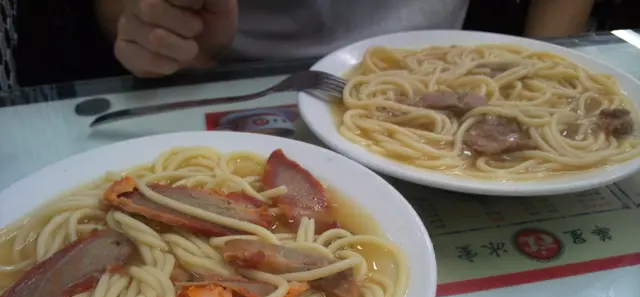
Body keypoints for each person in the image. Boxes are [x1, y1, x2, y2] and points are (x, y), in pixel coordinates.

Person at [95, 0, 596, 79]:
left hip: (449, 66)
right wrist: (174, 41)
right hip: (235, 77)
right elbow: (124, 12)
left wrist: (541, 69)